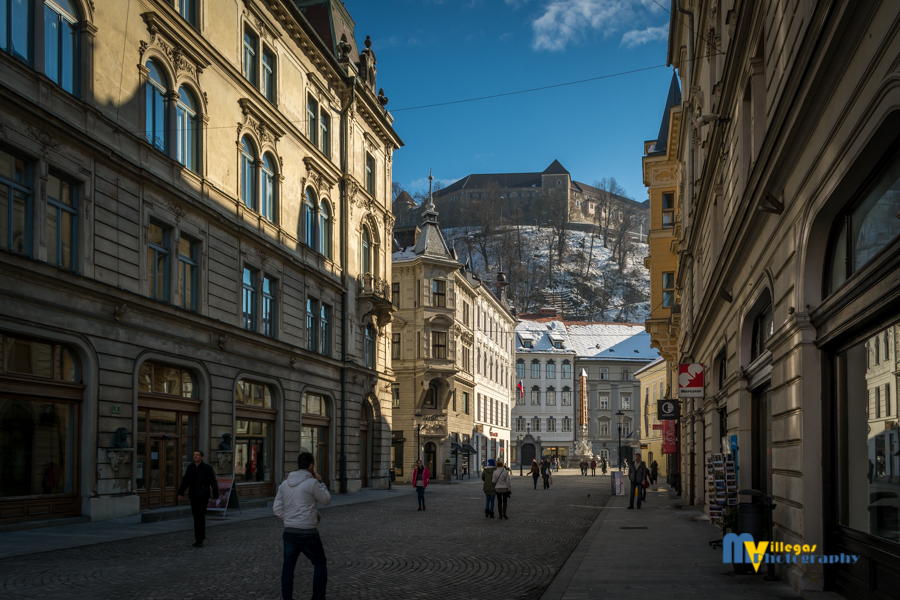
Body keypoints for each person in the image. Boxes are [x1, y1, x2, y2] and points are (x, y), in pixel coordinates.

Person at [274, 451, 331, 600]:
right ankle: (318, 598)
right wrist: (320, 481)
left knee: (288, 570)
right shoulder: (312, 483)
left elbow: (276, 508)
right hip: (308, 532)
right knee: (320, 563)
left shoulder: (284, 484)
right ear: (311, 466)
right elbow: (326, 500)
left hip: (289, 532)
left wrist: (289, 519)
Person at [177, 450, 219, 548]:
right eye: (194, 455)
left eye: (197, 455)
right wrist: (181, 492)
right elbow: (185, 480)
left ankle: (200, 539)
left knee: (200, 517)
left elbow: (213, 481)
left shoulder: (207, 468)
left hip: (203, 495)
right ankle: (198, 538)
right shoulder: (190, 468)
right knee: (196, 518)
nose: (195, 457)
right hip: (193, 495)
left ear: (202, 457)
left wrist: (215, 494)